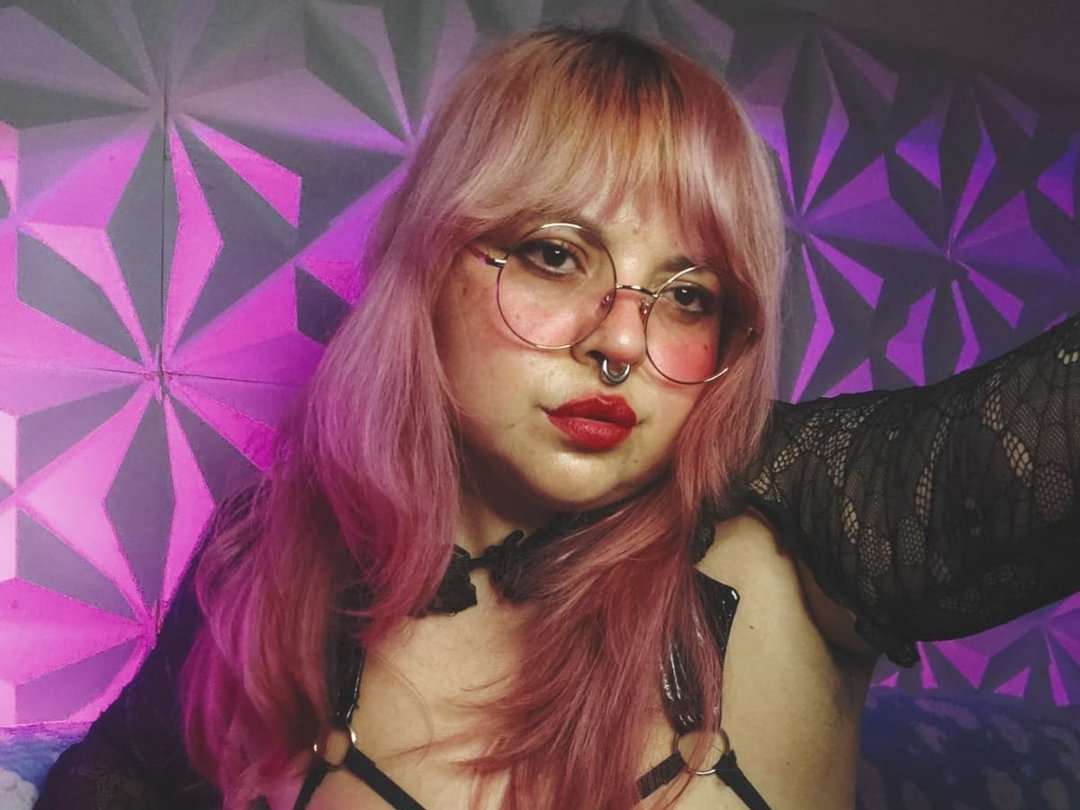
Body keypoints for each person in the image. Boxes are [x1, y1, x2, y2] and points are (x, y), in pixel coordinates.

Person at [37, 26, 1080, 810]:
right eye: (554, 254)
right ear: (428, 268)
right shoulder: (268, 562)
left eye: (688, 295)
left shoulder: (793, 518)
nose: (621, 340)